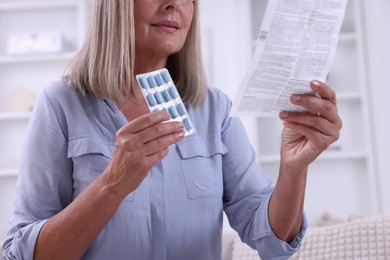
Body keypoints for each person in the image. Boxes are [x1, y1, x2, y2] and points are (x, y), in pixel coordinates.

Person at [2, 0, 342, 259]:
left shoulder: (214, 110)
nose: (174, 4)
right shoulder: (61, 104)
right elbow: (20, 253)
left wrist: (293, 169)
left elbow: (271, 239)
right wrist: (111, 185)